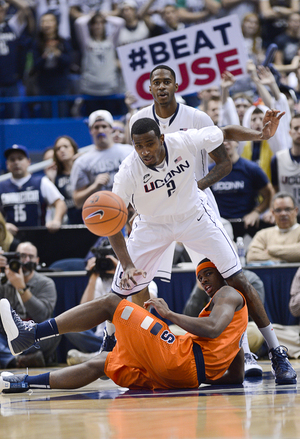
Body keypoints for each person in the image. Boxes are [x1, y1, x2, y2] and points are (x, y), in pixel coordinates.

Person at [107, 116, 296, 385]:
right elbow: (114, 221)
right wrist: (126, 263)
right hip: (152, 225)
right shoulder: (128, 170)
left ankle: (277, 353)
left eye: (150, 143)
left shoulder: (184, 140)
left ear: (161, 138)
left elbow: (226, 132)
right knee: (117, 294)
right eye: (139, 146)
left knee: (238, 279)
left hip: (194, 217)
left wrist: (260, 135)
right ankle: (110, 343)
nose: (145, 151)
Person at [0, 259, 249, 393]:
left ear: (223, 274)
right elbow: (237, 376)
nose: (204, 280)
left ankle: (31, 334)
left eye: (208, 274)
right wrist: (198, 379)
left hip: (180, 358)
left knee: (111, 302)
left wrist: (170, 314)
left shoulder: (228, 293)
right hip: (183, 377)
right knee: (103, 363)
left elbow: (213, 327)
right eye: (200, 277)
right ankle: (22, 382)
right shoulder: (236, 329)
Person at [0, 241, 60, 368]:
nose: (26, 261)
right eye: (22, 256)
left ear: (37, 260)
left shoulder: (46, 283)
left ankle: (8, 358)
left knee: (57, 330)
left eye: (30, 257)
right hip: (6, 338)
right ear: (13, 257)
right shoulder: (3, 281)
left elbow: (42, 316)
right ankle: (17, 361)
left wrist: (21, 288)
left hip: (34, 337)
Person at [210, 139, 274, 241]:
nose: (226, 143)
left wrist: (257, 212)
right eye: (222, 140)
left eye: (229, 139)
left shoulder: (252, 169)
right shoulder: (209, 171)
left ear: (237, 142)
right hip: (219, 226)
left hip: (246, 224)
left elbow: (269, 193)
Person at [70, 109, 133, 209]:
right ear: (91, 130)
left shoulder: (129, 152)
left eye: (104, 126)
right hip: (100, 216)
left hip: (128, 213)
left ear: (111, 128)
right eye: (96, 127)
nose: (100, 131)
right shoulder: (82, 162)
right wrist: (94, 186)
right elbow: (77, 201)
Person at [0, 144, 67, 234]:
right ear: (7, 164)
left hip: (38, 237)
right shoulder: (2, 186)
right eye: (12, 160)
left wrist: (56, 220)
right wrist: (3, 225)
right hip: (10, 240)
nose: (16, 162)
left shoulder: (41, 182)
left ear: (28, 162)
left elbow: (60, 203)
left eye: (20, 159)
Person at [29, 12, 72, 117]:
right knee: (46, 115)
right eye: (43, 21)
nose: (46, 24)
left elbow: (69, 62)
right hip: (44, 86)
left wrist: (58, 54)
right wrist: (45, 55)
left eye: (49, 21)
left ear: (56, 24)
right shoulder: (36, 43)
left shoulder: (63, 41)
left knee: (62, 114)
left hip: (61, 85)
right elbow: (35, 66)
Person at [0, 0, 34, 118]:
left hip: (11, 82)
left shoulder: (12, 25)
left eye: (1, 10)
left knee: (14, 119)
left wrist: (8, 2)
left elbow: (25, 7)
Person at [247, 192, 300, 263]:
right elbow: (251, 256)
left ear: (296, 211)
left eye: (287, 209)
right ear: (273, 213)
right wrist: (283, 260)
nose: (283, 213)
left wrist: (270, 250)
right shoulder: (263, 234)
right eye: (278, 210)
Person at [271, 114, 300, 213]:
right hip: (286, 214)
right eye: (296, 128)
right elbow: (275, 189)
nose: (299, 132)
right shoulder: (278, 159)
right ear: (290, 132)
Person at [53, 135, 83, 224]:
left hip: (88, 215)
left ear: (73, 149)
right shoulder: (56, 176)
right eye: (58, 149)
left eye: (66, 146)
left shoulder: (84, 170)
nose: (62, 150)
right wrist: (51, 179)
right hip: (69, 220)